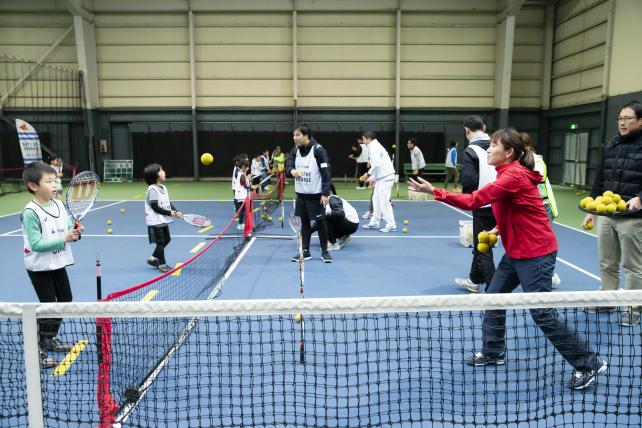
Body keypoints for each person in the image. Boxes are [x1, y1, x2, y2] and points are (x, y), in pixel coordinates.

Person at [409, 128, 608, 391]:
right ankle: (493, 351)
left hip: (536, 253)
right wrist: (498, 229)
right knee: (494, 297)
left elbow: (475, 200)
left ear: (509, 152)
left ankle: (589, 362)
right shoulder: (507, 174)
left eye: (494, 145)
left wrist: (435, 191)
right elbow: (515, 208)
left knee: (542, 313)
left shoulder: (513, 175)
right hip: (516, 252)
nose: (489, 149)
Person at [581, 101, 642, 326]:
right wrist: (591, 210)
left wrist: (640, 197)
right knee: (607, 262)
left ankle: (633, 307)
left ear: (640, 121)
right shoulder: (611, 145)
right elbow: (600, 179)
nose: (622, 123)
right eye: (620, 119)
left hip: (633, 217)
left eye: (628, 118)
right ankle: (607, 299)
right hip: (607, 216)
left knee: (633, 266)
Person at [21, 161, 80, 369]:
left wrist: (75, 233)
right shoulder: (31, 212)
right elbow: (36, 244)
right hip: (39, 267)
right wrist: (64, 239)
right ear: (33, 186)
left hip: (58, 262)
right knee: (47, 306)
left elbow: (67, 229)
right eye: (49, 181)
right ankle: (35, 348)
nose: (55, 184)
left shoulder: (59, 205)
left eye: (55, 180)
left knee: (65, 300)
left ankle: (49, 338)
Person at [454, 116, 497, 293]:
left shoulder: (471, 150)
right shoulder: (498, 146)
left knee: (483, 248)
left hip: (483, 205)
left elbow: (469, 180)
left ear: (466, 130)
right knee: (482, 243)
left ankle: (495, 291)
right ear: (484, 128)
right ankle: (473, 279)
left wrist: (467, 199)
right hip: (501, 203)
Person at [285, 123, 333, 263]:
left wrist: (325, 193)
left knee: (320, 223)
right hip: (301, 195)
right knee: (304, 224)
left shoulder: (318, 150)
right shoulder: (295, 150)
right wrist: (292, 171)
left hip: (316, 195)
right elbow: (288, 165)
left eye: (298, 135)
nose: (295, 138)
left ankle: (325, 252)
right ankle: (305, 252)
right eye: (294, 135)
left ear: (306, 136)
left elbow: (326, 172)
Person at [529, 137, 561, 287]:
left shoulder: (537, 161)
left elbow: (538, 177)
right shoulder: (518, 161)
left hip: (543, 207)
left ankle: (550, 274)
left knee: (544, 243)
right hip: (530, 208)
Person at [143, 163, 182, 273]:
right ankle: (162, 265)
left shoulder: (163, 188)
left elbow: (167, 202)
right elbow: (155, 207)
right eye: (161, 170)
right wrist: (170, 213)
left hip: (162, 219)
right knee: (160, 242)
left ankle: (152, 259)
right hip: (155, 221)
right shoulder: (152, 190)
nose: (164, 172)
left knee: (167, 239)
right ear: (155, 175)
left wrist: (175, 211)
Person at [360, 131, 397, 233]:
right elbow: (378, 165)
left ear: (369, 139)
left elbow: (376, 164)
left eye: (363, 139)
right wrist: (373, 178)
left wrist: (368, 174)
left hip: (386, 178)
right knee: (376, 200)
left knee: (384, 202)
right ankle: (375, 222)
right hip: (381, 178)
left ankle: (391, 225)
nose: (362, 141)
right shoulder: (373, 146)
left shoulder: (374, 147)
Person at [311, 185, 359, 251]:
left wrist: (327, 213)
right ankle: (343, 237)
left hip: (351, 224)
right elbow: (317, 223)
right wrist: (305, 233)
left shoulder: (332, 199)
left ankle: (332, 244)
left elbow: (340, 213)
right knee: (322, 218)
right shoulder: (325, 201)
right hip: (350, 224)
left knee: (325, 218)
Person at [234, 158, 256, 231]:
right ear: (243, 166)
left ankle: (242, 224)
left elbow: (244, 183)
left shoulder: (241, 174)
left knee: (243, 211)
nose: (247, 169)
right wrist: (251, 186)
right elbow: (245, 185)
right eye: (247, 167)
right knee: (245, 211)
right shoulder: (242, 175)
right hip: (242, 197)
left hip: (241, 196)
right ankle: (243, 224)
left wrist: (249, 181)